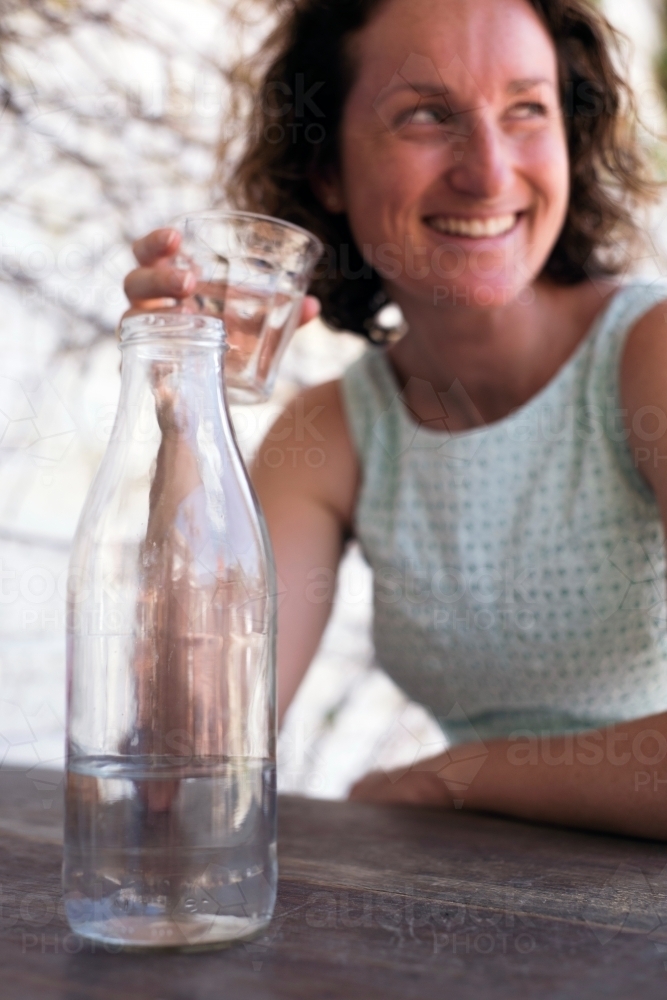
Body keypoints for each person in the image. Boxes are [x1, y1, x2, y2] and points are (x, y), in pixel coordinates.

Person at [123, 0, 667, 840]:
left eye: (527, 109)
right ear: (327, 169)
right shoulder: (335, 433)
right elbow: (188, 764)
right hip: (502, 926)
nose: (488, 172)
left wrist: (446, 780)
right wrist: (185, 398)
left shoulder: (647, 357)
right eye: (425, 115)